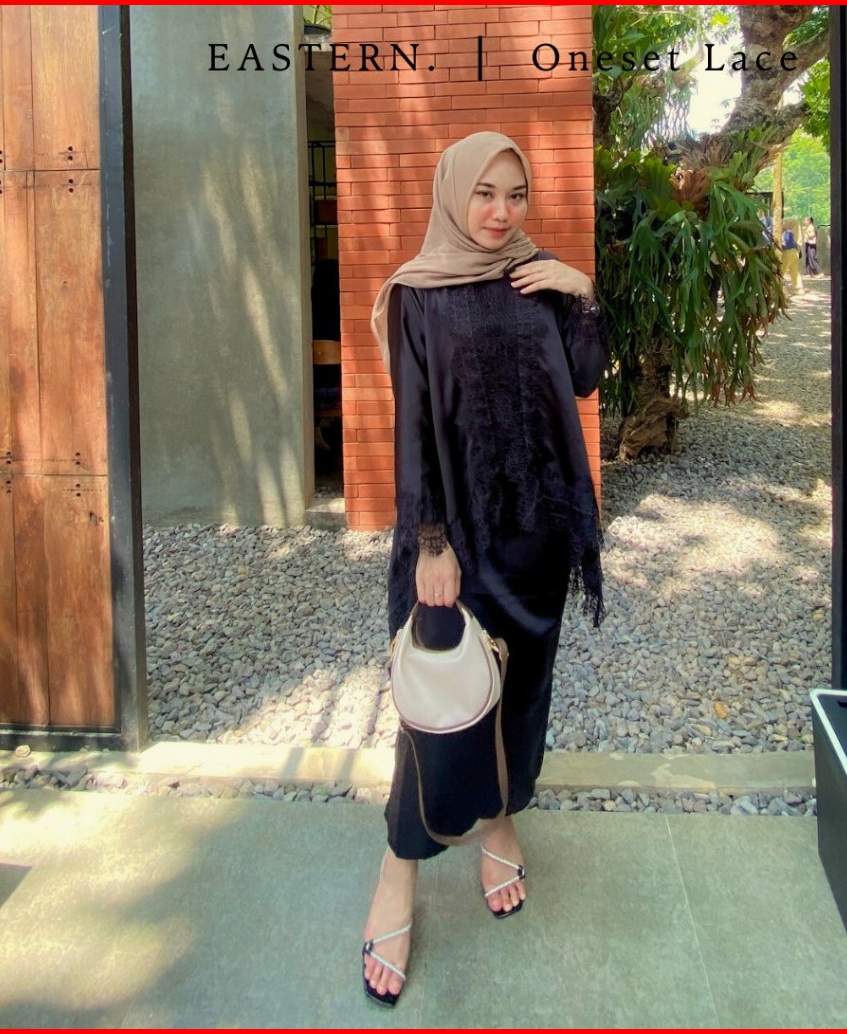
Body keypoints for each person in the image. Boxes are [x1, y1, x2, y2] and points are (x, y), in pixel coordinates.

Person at [363, 131, 607, 1007]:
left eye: (516, 194)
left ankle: (499, 819)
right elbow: (413, 424)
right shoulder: (418, 292)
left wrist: (581, 290)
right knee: (437, 708)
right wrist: (430, 540)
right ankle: (399, 870)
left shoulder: (537, 277)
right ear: (454, 193)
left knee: (521, 690)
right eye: (485, 194)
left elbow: (585, 377)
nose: (502, 212)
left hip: (538, 530)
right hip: (455, 542)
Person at [779, 220, 801, 292]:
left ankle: (781, 289)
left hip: (788, 253)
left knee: (781, 271)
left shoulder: (787, 233)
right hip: (795, 253)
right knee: (794, 272)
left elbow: (788, 244)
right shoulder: (793, 233)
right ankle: (799, 289)